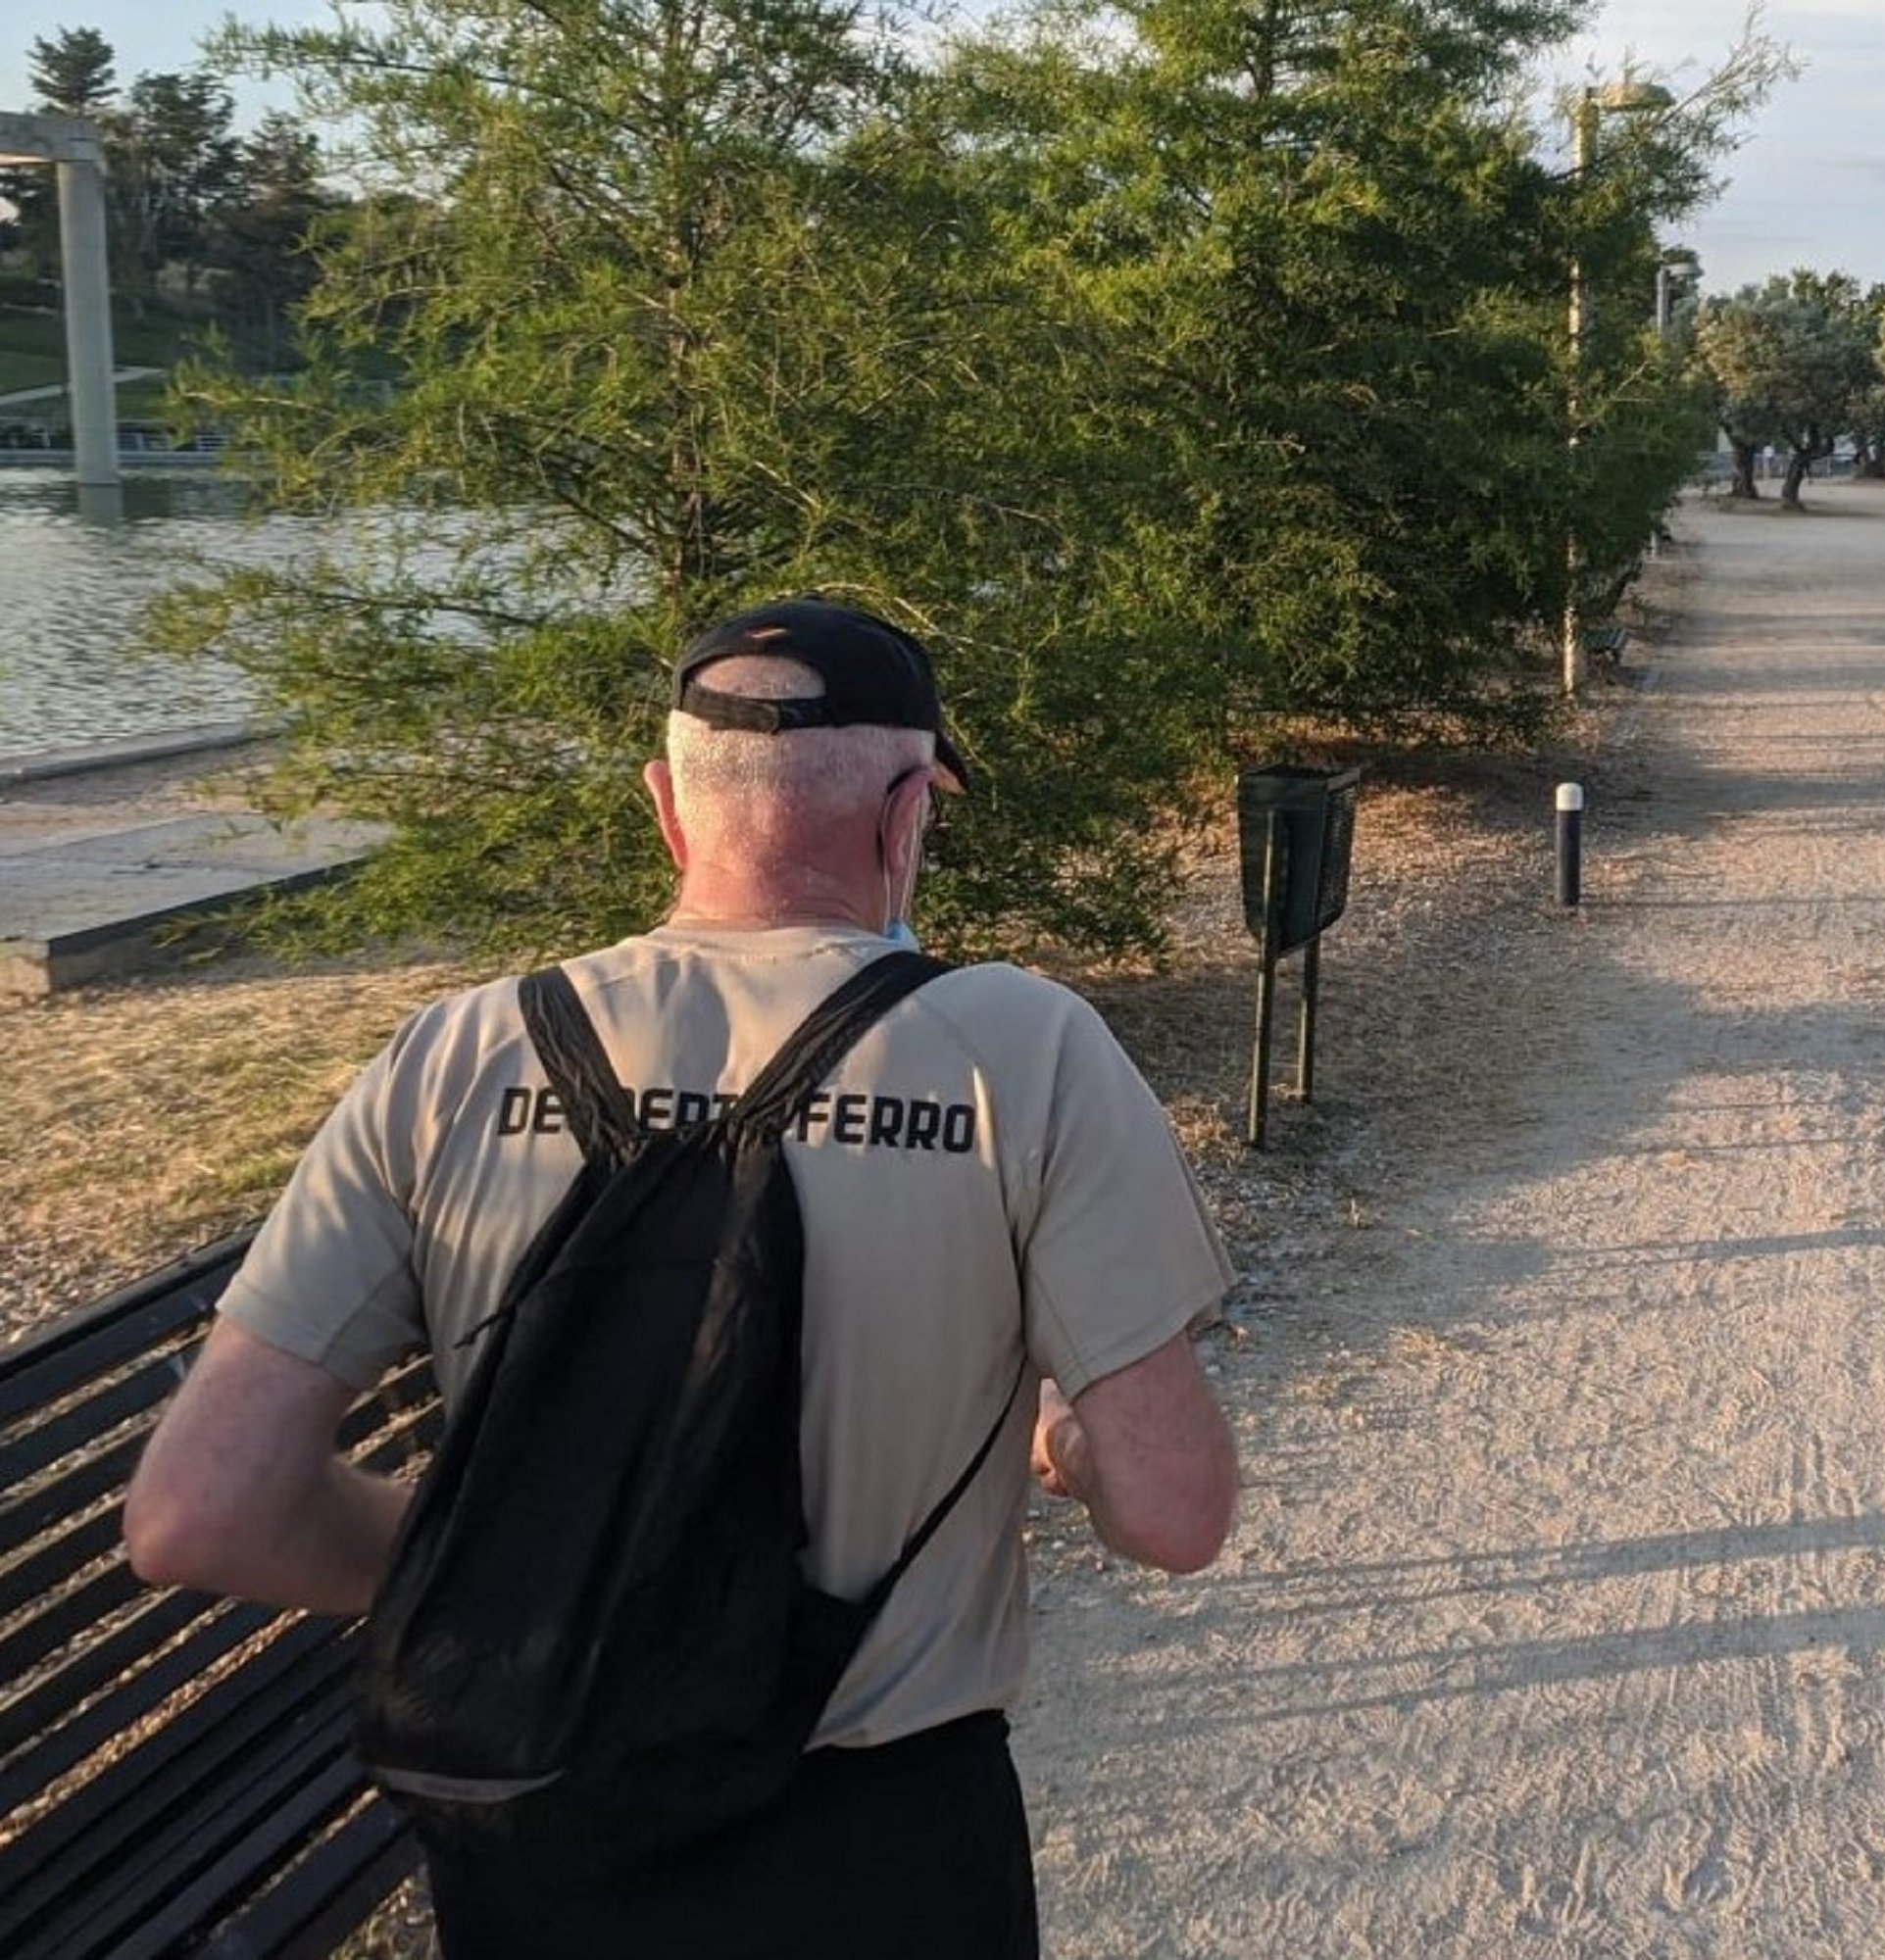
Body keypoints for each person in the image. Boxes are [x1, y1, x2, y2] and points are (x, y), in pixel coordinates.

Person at [124, 597, 1240, 1958]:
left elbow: (195, 1518)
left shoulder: (457, 1053)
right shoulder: (1024, 1049)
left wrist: (549, 1547)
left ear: (667, 803)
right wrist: (1068, 1446)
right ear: (904, 819)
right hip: (883, 1846)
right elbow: (1177, 1515)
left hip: (536, 1826)